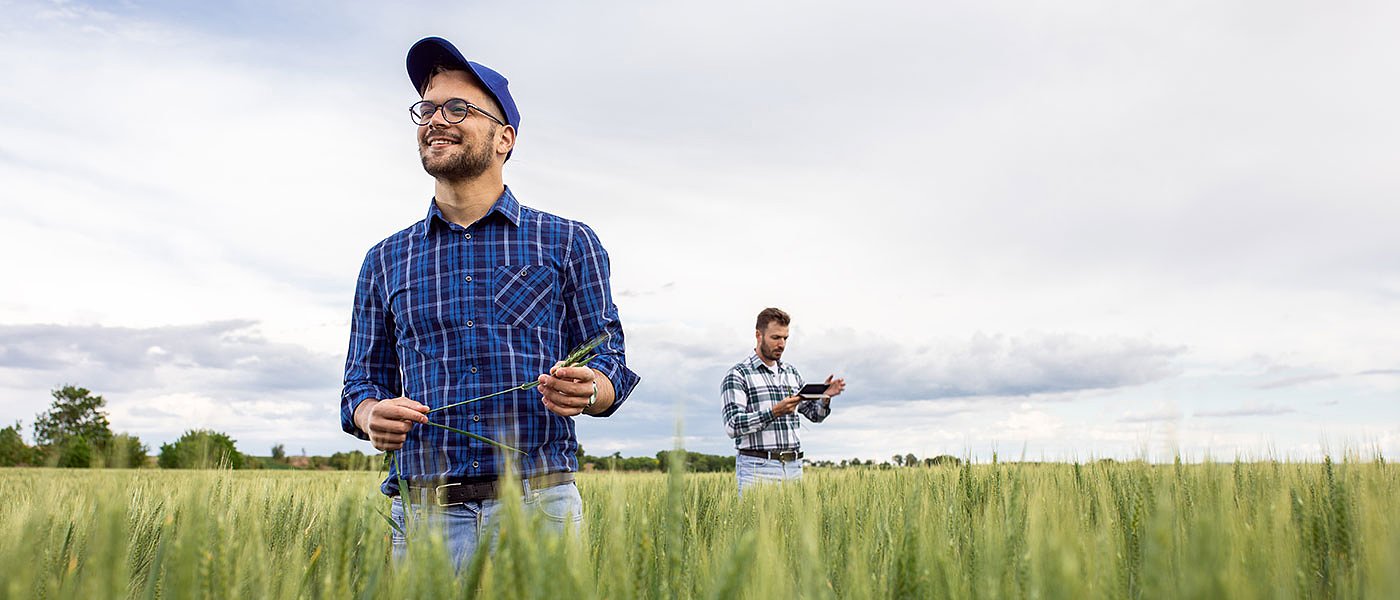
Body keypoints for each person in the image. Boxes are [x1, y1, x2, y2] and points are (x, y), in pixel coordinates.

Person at [339, 36, 639, 565]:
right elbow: (360, 384)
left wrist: (591, 389)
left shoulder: (568, 242)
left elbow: (608, 360)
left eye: (458, 108)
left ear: (505, 139)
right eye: (427, 109)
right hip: (426, 516)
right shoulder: (383, 259)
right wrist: (370, 414)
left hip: (539, 507)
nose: (436, 119)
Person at [721, 307, 845, 496]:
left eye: (785, 338)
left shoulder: (791, 373)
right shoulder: (738, 375)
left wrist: (825, 397)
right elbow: (732, 425)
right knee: (753, 526)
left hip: (793, 468)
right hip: (757, 470)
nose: (781, 344)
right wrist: (773, 412)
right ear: (758, 335)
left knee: (793, 527)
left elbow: (815, 415)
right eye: (775, 337)